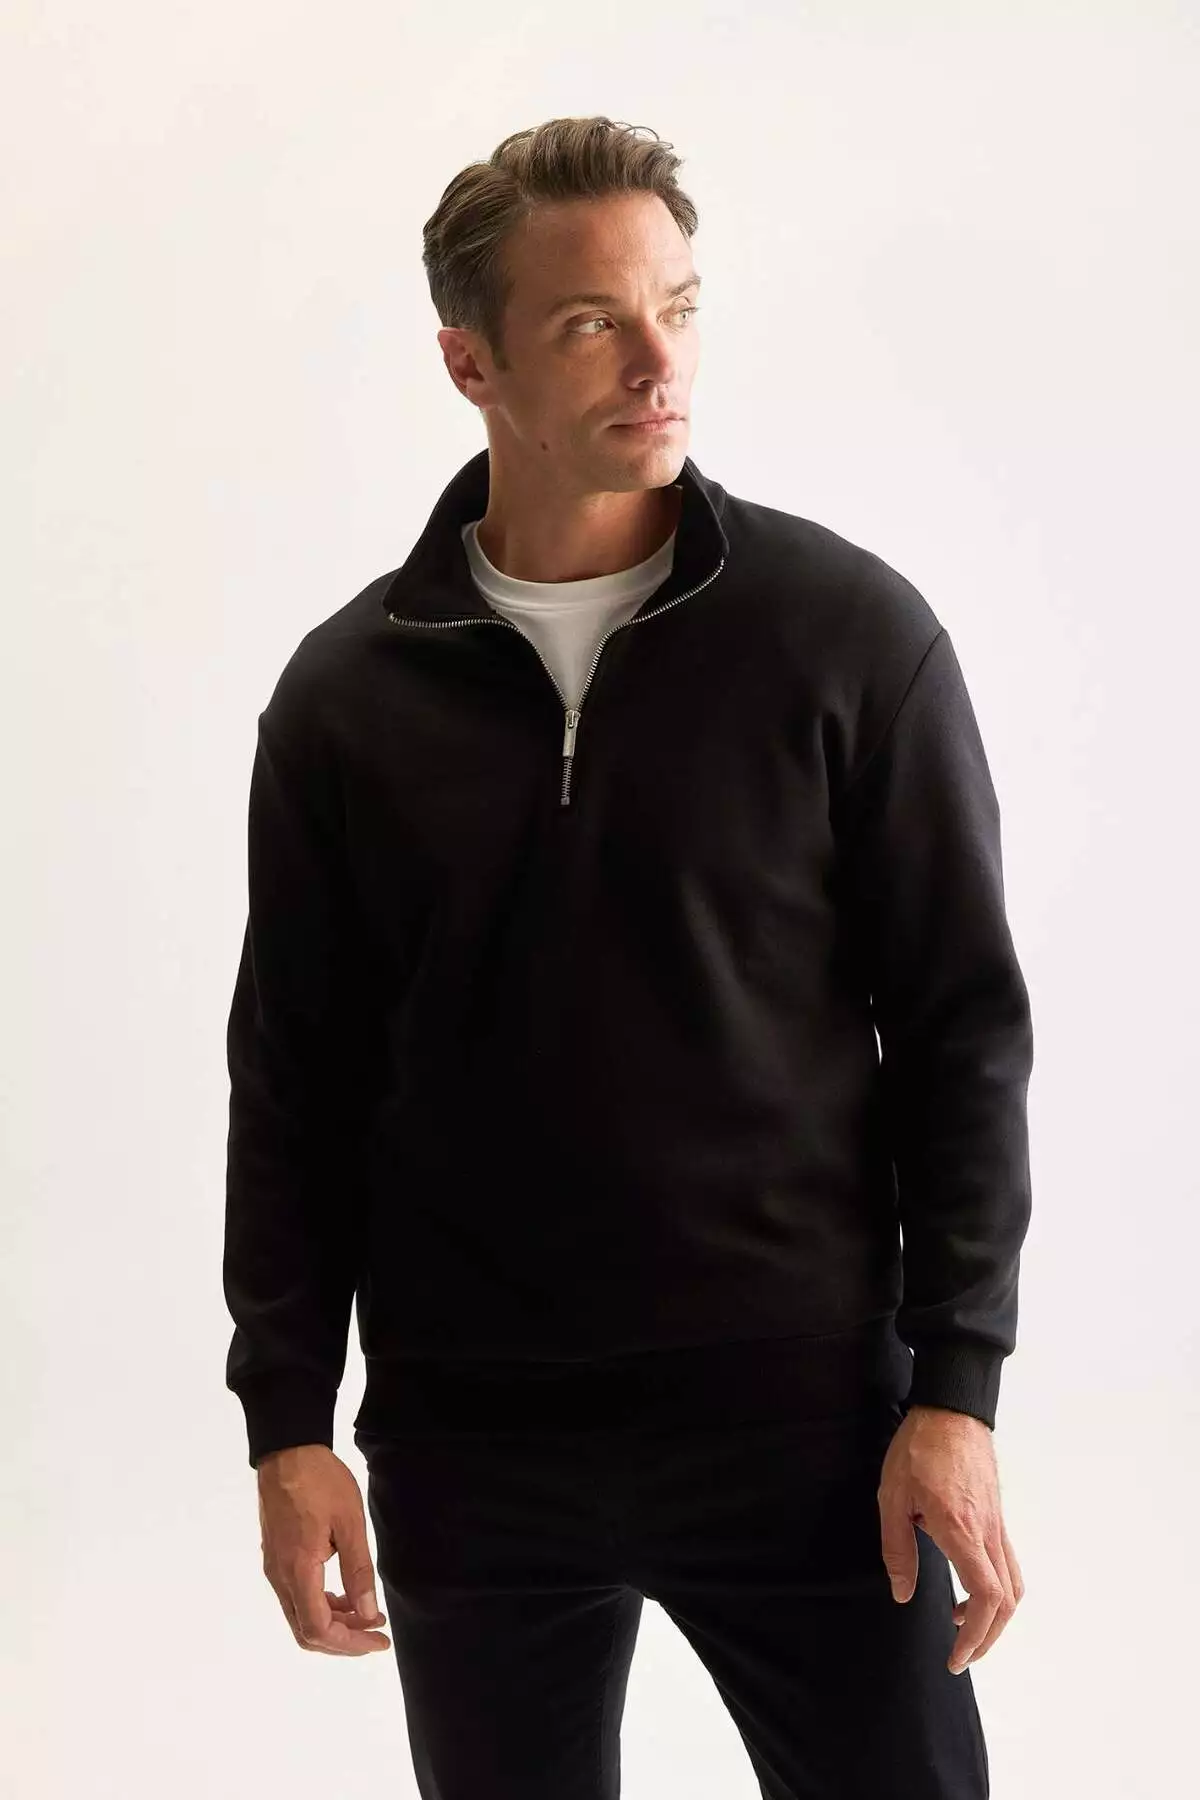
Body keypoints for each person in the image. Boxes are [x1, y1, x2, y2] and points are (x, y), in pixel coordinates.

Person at [222, 114, 1032, 1798]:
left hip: (811, 1425)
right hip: (473, 1445)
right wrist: (287, 1421)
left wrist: (957, 1388)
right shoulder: (347, 700)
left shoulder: (846, 638)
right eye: (595, 320)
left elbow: (961, 1029)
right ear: (471, 362)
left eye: (680, 305)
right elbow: (294, 1082)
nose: (660, 362)